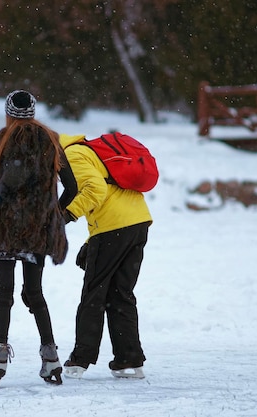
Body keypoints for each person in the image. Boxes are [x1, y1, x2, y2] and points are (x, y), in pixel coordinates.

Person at [0, 90, 78, 386]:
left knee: (4, 292)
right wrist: (53, 214)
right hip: (36, 229)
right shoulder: (51, 140)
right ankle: (51, 359)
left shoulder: (1, 139)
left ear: (8, 113)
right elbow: (71, 187)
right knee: (34, 293)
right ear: (33, 112)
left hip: (3, 228)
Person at [60, 133, 152, 379]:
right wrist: (91, 241)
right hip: (138, 221)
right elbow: (108, 189)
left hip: (113, 227)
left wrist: (64, 217)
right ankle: (129, 360)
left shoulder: (72, 155)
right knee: (120, 293)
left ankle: (80, 360)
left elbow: (96, 190)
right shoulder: (87, 150)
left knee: (93, 292)